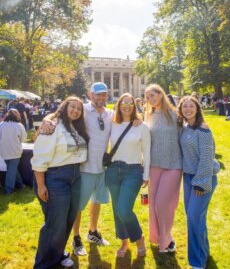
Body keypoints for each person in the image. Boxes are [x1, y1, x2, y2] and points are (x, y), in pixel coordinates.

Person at [42, 82, 114, 256]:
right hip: (84, 166)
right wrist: (47, 118)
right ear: (91, 95)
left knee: (97, 201)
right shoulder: (83, 109)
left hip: (102, 166)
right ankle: (76, 238)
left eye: (103, 94)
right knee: (78, 206)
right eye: (98, 95)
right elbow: (63, 112)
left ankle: (93, 232)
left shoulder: (110, 113)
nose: (101, 98)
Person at [31, 96, 88, 268]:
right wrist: (41, 185)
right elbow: (39, 157)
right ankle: (43, 264)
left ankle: (58, 254)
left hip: (75, 176)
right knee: (55, 222)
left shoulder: (76, 127)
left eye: (79, 109)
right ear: (64, 106)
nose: (75, 110)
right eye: (72, 106)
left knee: (69, 218)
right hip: (56, 177)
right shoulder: (52, 125)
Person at [105, 93, 150, 257]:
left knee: (124, 209)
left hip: (133, 171)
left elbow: (147, 151)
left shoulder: (141, 126)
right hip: (113, 171)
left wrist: (146, 175)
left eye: (130, 103)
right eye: (122, 102)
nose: (126, 105)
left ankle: (139, 238)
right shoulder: (112, 123)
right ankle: (124, 242)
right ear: (118, 105)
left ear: (134, 106)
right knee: (117, 209)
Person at [178, 96, 220, 269]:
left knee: (194, 217)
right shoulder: (185, 127)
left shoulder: (203, 129)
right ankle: (203, 251)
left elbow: (206, 158)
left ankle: (197, 262)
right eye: (185, 106)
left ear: (197, 108)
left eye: (191, 106)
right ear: (180, 109)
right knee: (195, 218)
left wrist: (201, 183)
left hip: (202, 179)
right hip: (188, 178)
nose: (188, 109)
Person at [145, 84, 182, 253]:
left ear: (161, 94)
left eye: (153, 95)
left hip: (174, 164)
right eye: (147, 97)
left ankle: (165, 240)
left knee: (163, 203)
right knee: (153, 204)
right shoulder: (148, 116)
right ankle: (160, 237)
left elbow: (186, 135)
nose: (150, 99)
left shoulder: (176, 115)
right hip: (154, 165)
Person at [0, 109, 27, 194]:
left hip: (3, 151)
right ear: (17, 115)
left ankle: (21, 185)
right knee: (11, 169)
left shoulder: (1, 125)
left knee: (12, 169)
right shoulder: (19, 126)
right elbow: (24, 139)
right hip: (15, 151)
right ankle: (8, 190)